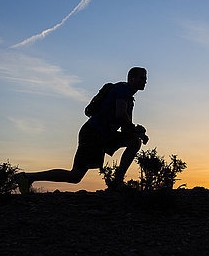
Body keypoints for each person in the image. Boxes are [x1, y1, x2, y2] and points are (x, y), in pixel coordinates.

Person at [16, 67, 148, 193]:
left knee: (134, 141)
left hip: (103, 135)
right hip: (93, 134)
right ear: (131, 78)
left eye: (145, 78)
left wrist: (137, 131)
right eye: (141, 78)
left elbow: (125, 127)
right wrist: (134, 130)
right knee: (75, 176)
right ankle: (27, 177)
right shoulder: (123, 89)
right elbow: (120, 114)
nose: (145, 81)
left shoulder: (129, 99)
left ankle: (117, 181)